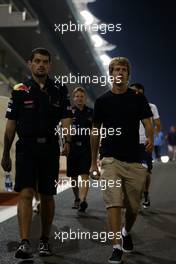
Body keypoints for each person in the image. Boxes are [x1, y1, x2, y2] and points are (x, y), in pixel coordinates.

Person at [1, 48, 72, 259]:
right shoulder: (20, 89)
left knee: (47, 195)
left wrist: (67, 139)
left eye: (45, 61)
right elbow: (11, 124)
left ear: (49, 65)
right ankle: (24, 243)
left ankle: (44, 240)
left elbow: (66, 117)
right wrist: (6, 153)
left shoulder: (59, 88)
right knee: (25, 193)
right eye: (37, 61)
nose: (41, 64)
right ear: (29, 63)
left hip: (49, 148)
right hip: (26, 148)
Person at [90, 57, 153, 263]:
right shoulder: (102, 101)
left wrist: (151, 137)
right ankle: (116, 246)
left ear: (128, 74)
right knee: (113, 202)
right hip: (110, 159)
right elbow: (95, 131)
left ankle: (126, 231)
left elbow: (147, 121)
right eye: (116, 69)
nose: (120, 72)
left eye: (123, 69)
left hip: (134, 158)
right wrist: (93, 162)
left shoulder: (137, 98)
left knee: (133, 207)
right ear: (110, 74)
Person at [130, 83, 161, 208]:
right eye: (133, 91)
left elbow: (158, 123)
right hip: (129, 143)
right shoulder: (125, 105)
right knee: (130, 171)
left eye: (138, 92)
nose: (135, 93)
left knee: (146, 172)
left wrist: (153, 137)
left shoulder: (151, 107)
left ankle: (146, 193)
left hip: (144, 143)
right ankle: (132, 195)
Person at [67, 87, 93, 212]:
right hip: (72, 148)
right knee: (73, 177)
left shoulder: (91, 112)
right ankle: (77, 198)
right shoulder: (69, 112)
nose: (79, 98)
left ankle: (83, 200)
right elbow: (63, 130)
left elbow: (96, 131)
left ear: (85, 98)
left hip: (86, 148)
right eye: (77, 96)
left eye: (81, 96)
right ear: (74, 98)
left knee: (85, 175)